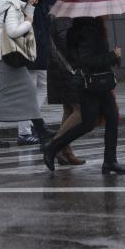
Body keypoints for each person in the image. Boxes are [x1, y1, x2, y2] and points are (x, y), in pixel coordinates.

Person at [42, 16, 125, 174]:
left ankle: (110, 161)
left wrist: (114, 58)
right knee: (88, 123)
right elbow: (87, 60)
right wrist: (112, 56)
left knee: (112, 118)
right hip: (91, 84)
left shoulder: (93, 27)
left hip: (100, 82)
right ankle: (52, 148)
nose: (108, 14)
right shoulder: (88, 30)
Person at [0, 0, 52, 149]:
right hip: (12, 58)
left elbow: (14, 24)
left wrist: (30, 6)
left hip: (7, 57)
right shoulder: (12, 7)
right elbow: (14, 31)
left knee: (18, 93)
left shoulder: (8, 5)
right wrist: (28, 22)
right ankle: (41, 132)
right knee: (22, 93)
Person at [16, 0, 50, 146]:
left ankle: (33, 125)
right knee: (31, 89)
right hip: (32, 46)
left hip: (40, 46)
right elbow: (26, 22)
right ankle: (25, 131)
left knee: (41, 85)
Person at [45, 16, 85, 165]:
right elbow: (66, 44)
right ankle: (54, 145)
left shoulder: (68, 17)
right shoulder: (63, 17)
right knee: (80, 111)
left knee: (69, 110)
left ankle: (66, 151)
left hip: (64, 70)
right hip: (67, 71)